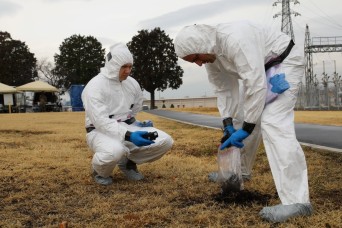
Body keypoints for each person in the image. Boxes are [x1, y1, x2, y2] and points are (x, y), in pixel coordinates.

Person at [174, 21, 313, 223]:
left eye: (195, 58)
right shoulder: (211, 56)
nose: (197, 63)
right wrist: (228, 124)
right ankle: (241, 173)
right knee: (244, 118)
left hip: (284, 62)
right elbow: (223, 90)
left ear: (201, 45)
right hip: (261, 71)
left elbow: (255, 85)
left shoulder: (235, 39)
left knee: (273, 122)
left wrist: (247, 127)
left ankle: (298, 201)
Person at [81, 42, 174, 186]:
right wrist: (129, 135)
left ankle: (128, 163)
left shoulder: (132, 83)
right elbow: (101, 122)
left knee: (165, 141)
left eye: (130, 67)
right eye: (124, 67)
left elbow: (134, 108)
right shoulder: (94, 87)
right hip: (99, 131)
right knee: (114, 151)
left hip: (126, 127)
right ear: (113, 65)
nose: (128, 71)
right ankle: (99, 171)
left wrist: (136, 124)